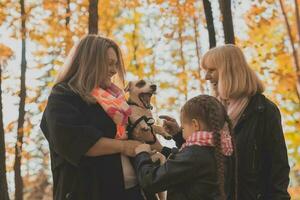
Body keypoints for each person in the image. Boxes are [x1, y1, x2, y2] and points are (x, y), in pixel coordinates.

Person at [157, 44, 290, 200]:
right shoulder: (214, 110)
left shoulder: (263, 111)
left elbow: (278, 168)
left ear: (230, 71)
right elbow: (203, 158)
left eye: (211, 70)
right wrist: (179, 134)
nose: (206, 77)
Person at [40, 35, 144, 200]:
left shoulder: (116, 101)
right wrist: (124, 147)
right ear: (90, 61)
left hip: (132, 192)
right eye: (109, 63)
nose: (114, 70)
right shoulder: (63, 96)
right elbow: (77, 141)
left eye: (116, 64)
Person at [134, 95, 236, 200]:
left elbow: (151, 181)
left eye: (183, 127)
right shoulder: (223, 148)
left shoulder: (194, 156)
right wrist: (178, 135)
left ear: (195, 125)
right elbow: (189, 164)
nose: (182, 131)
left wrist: (142, 154)